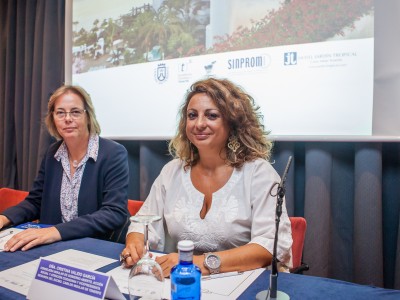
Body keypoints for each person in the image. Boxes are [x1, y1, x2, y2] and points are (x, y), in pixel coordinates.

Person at [121, 78, 292, 276]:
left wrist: (199, 263)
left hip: (240, 285)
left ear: (232, 123)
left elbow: (269, 246)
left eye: (211, 116)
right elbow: (143, 222)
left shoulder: (258, 173)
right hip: (182, 284)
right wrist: (134, 242)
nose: (199, 124)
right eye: (192, 115)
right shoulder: (172, 171)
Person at [0, 85, 130, 251]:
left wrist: (55, 231)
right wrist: (4, 218)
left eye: (75, 112)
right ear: (53, 118)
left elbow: (114, 213)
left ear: (88, 116)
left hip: (95, 247)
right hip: (54, 249)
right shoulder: (52, 153)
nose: (67, 119)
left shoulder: (113, 153)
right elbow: (35, 202)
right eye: (60, 113)